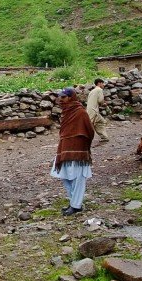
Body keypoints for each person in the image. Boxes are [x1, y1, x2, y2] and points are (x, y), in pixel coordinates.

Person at [50, 87, 95, 216]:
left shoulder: (80, 112)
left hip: (78, 150)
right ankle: (73, 202)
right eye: (60, 97)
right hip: (65, 148)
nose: (60, 100)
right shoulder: (67, 112)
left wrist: (82, 144)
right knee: (64, 175)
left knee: (78, 177)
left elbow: (90, 130)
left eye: (63, 97)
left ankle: (76, 205)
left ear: (71, 97)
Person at [87, 79, 109, 143]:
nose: (103, 85)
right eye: (102, 83)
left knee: (101, 122)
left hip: (90, 110)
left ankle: (104, 137)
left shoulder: (92, 91)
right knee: (89, 125)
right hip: (94, 111)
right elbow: (100, 100)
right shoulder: (99, 90)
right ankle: (82, 138)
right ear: (99, 83)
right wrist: (104, 104)